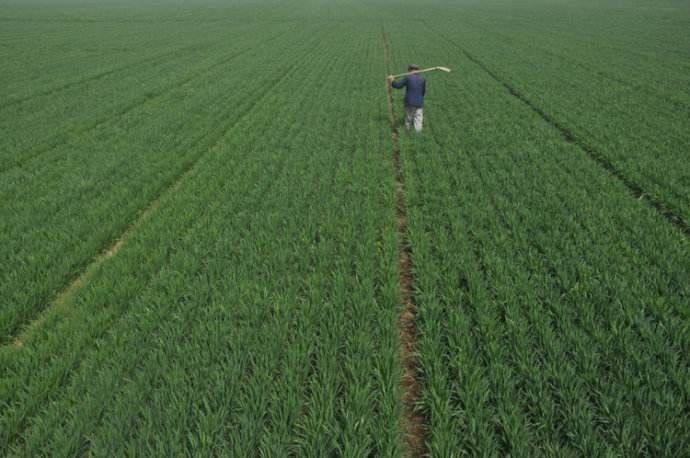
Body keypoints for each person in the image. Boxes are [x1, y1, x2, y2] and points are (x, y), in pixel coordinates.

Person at [387, 64, 426, 133]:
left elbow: (398, 86)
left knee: (409, 118)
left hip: (409, 102)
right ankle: (417, 134)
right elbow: (423, 92)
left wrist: (392, 80)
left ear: (409, 70)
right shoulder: (422, 79)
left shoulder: (408, 77)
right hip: (419, 103)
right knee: (418, 119)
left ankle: (407, 132)